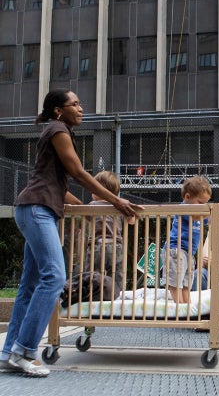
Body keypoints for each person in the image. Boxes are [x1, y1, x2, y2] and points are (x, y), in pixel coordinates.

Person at [0, 89, 142, 377]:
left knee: (30, 285)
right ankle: (24, 350)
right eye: (74, 104)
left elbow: (60, 186)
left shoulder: (57, 130)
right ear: (57, 110)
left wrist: (89, 208)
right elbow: (78, 172)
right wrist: (117, 200)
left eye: (80, 103)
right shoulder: (57, 129)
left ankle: (9, 352)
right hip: (38, 210)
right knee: (54, 277)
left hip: (37, 208)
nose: (81, 108)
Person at [161, 176, 212, 305]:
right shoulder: (183, 208)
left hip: (188, 252)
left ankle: (186, 306)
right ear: (187, 197)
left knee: (186, 281)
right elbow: (195, 216)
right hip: (175, 249)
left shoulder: (199, 212)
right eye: (201, 203)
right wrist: (211, 210)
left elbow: (210, 220)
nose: (203, 206)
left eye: (206, 203)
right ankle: (179, 305)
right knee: (175, 280)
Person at [84, 171, 136, 295]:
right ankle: (118, 295)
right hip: (115, 245)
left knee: (93, 272)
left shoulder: (92, 205)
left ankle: (92, 295)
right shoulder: (119, 206)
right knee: (117, 272)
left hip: (97, 244)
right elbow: (132, 221)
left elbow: (87, 217)